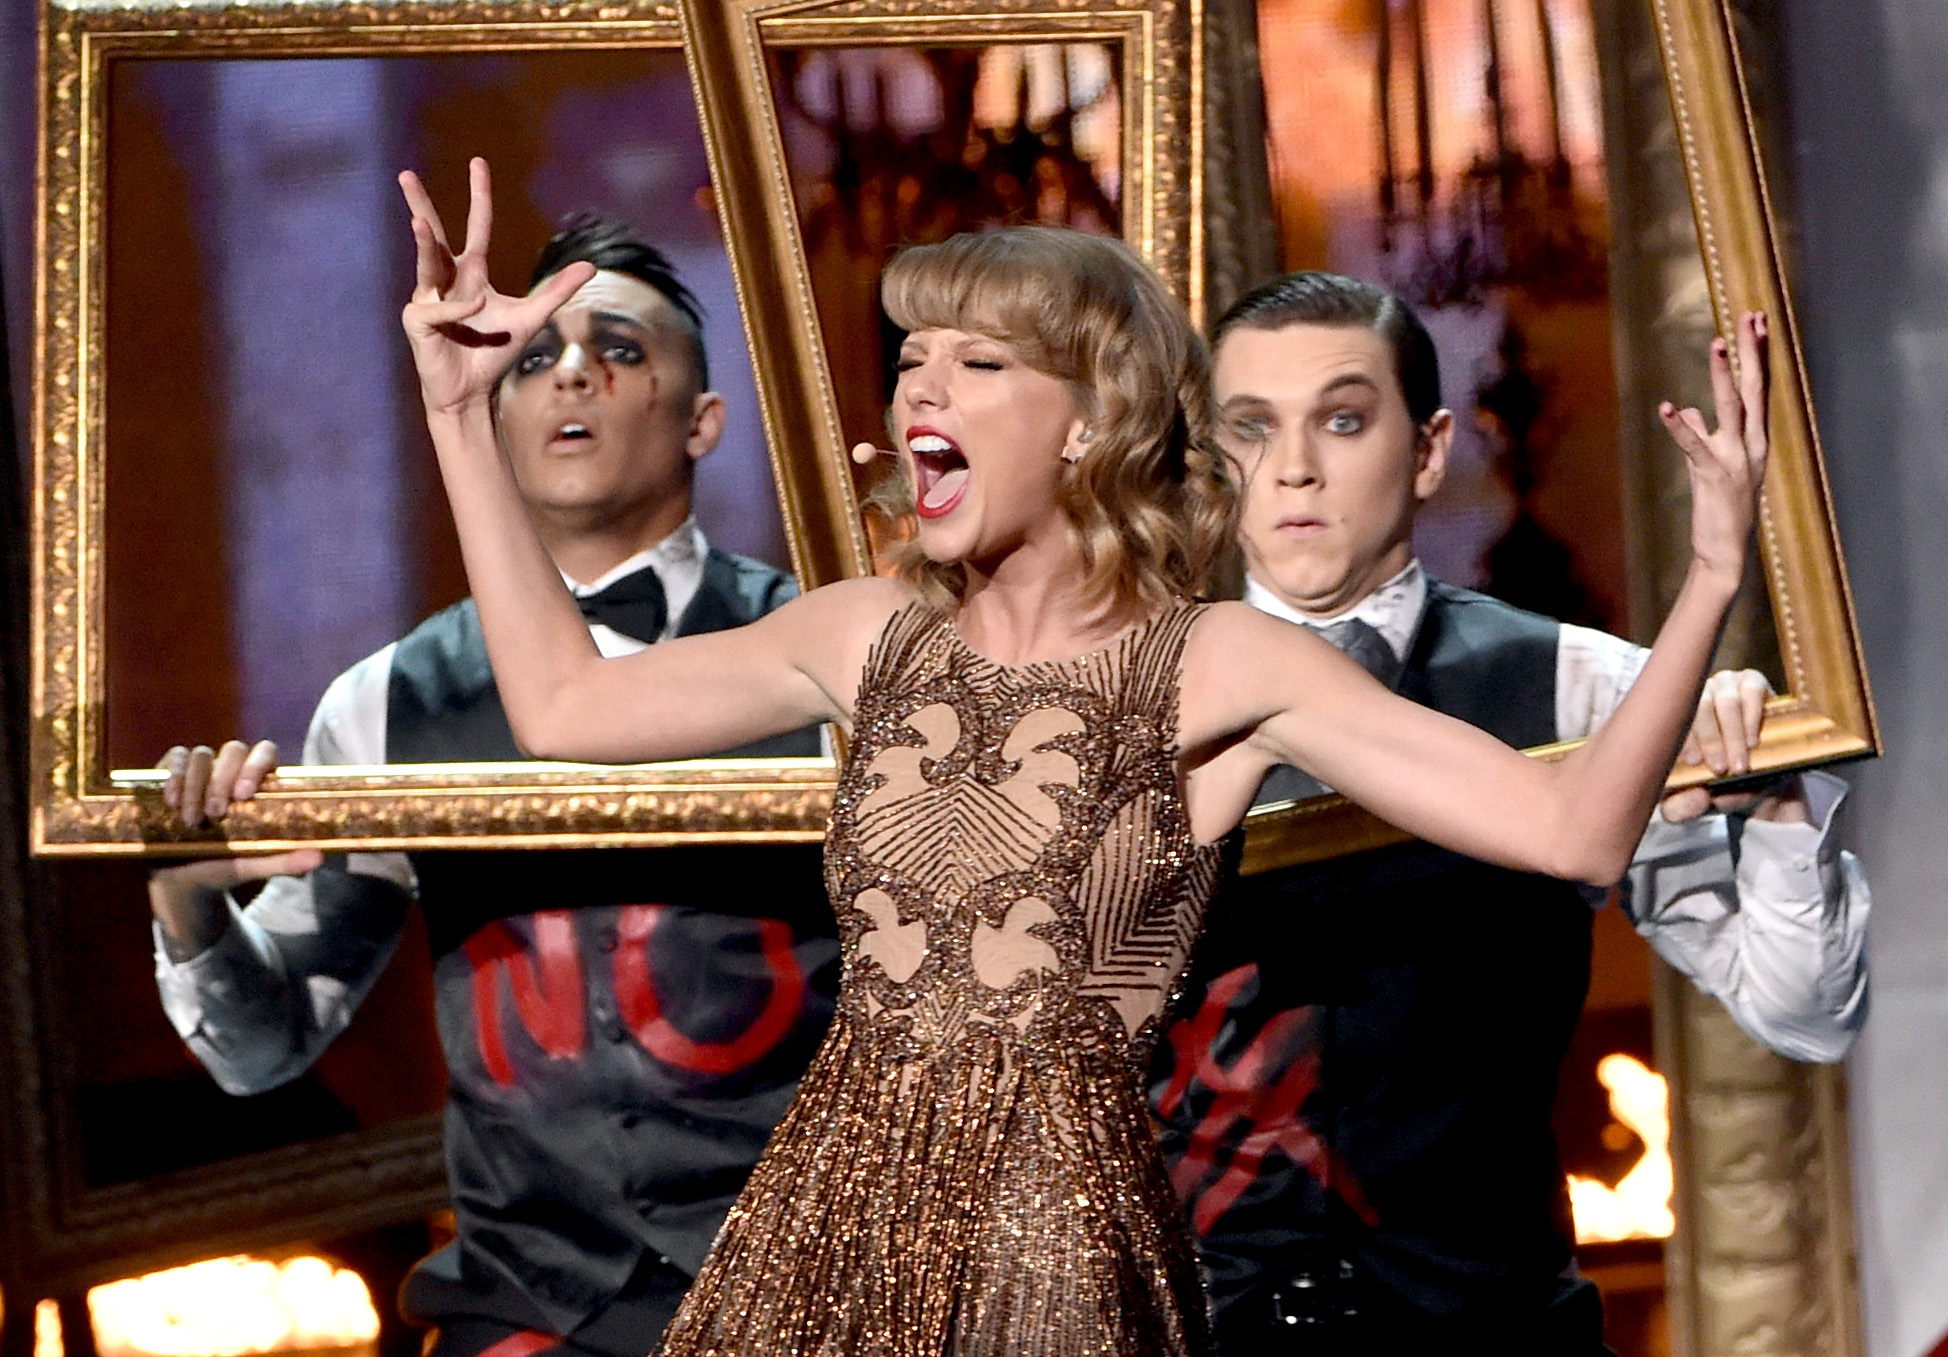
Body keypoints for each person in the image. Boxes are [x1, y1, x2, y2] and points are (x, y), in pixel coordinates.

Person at [386, 159, 1770, 1357]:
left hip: (1048, 1258)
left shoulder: (1216, 662)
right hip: (819, 1229)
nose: (922, 385)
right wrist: (456, 413)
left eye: (977, 364)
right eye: (913, 360)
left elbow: (1574, 829)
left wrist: (1710, 576)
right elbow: (561, 705)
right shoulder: (864, 633)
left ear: (1093, 418)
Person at [148, 216, 837, 1357]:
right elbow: (262, 1048)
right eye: (532, 357)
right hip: (527, 1306)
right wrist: (186, 898)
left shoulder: (829, 661)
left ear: (703, 421)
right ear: (494, 414)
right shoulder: (387, 699)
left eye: (620, 349)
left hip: (821, 1291)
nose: (570, 372)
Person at [1148, 270, 1869, 1355]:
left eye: (1341, 421)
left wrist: (1768, 792)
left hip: (1495, 1328)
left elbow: (1802, 1010)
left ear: (1428, 449)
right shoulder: (1135, 709)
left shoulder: (1579, 688)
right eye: (1252, 427)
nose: (1293, 466)